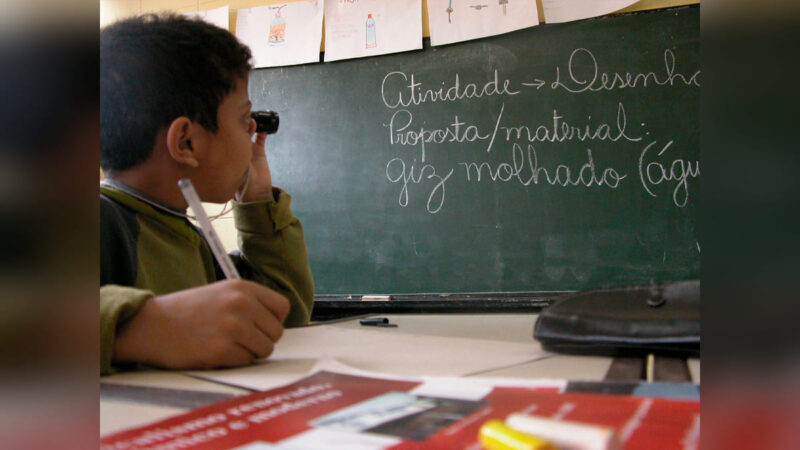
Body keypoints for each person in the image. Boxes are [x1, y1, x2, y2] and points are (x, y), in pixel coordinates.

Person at [99, 14, 314, 375]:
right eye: (243, 120)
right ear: (186, 142)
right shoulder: (97, 223)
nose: (252, 134)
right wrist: (139, 326)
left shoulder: (184, 237)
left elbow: (283, 316)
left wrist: (258, 203)